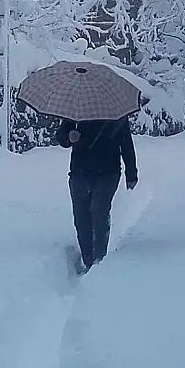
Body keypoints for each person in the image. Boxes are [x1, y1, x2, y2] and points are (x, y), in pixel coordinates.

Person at [55, 116, 138, 273]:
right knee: (81, 216)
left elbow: (126, 142)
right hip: (80, 171)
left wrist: (131, 172)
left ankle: (99, 260)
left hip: (108, 172)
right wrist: (69, 137)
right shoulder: (77, 111)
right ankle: (88, 259)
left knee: (99, 210)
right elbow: (61, 136)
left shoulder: (116, 113)